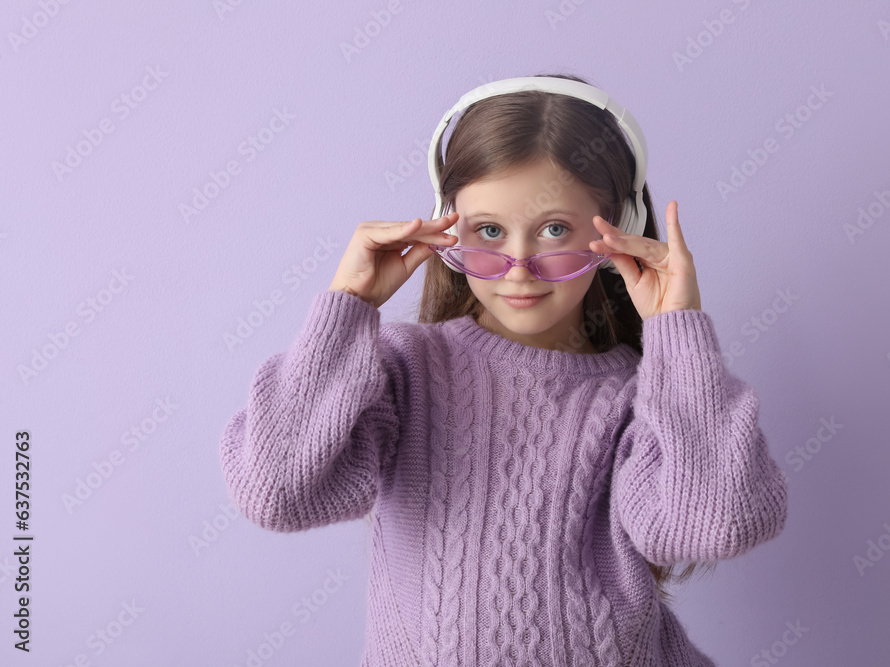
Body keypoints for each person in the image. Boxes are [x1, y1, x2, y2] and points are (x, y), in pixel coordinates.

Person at [219, 72, 788, 666]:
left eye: (554, 230)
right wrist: (348, 306)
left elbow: (715, 523)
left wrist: (680, 333)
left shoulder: (641, 400)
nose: (519, 266)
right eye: (489, 231)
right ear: (447, 224)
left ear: (618, 227)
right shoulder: (403, 371)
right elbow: (277, 491)